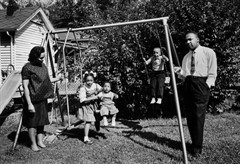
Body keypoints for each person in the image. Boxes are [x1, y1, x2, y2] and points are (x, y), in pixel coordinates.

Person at [174, 32, 217, 157]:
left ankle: (197, 148)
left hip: (201, 84)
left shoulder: (208, 52)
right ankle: (194, 143)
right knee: (190, 116)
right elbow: (184, 75)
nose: (188, 42)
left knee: (198, 116)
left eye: (190, 39)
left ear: (197, 39)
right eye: (186, 40)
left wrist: (207, 85)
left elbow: (213, 72)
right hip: (188, 84)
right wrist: (179, 71)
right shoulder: (186, 57)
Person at [21, 46, 63, 152]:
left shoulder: (43, 66)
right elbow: (25, 86)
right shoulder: (27, 67)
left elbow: (47, 81)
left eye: (43, 58)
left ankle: (39, 141)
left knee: (41, 122)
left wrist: (57, 78)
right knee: (32, 123)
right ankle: (33, 143)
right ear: (34, 56)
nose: (42, 60)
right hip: (32, 100)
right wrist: (29, 103)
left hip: (42, 99)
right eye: (40, 58)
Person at [78, 72, 102, 144]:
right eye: (87, 80)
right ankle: (86, 138)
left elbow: (102, 91)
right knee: (88, 120)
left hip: (95, 104)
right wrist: (94, 97)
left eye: (91, 80)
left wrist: (99, 95)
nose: (89, 82)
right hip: (87, 105)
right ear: (85, 81)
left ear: (93, 80)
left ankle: (97, 130)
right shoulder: (83, 88)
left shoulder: (96, 85)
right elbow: (82, 100)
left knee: (97, 118)